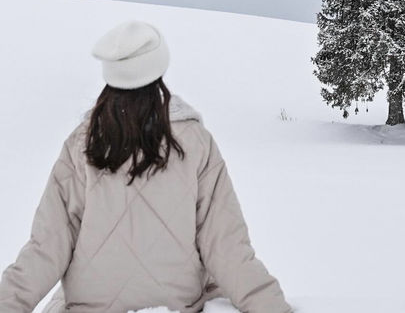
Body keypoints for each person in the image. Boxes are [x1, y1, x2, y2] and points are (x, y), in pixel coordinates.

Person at [0, 20, 294, 313]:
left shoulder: (82, 144)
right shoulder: (196, 142)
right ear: (159, 71)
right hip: (177, 305)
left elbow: (46, 248)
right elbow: (227, 248)